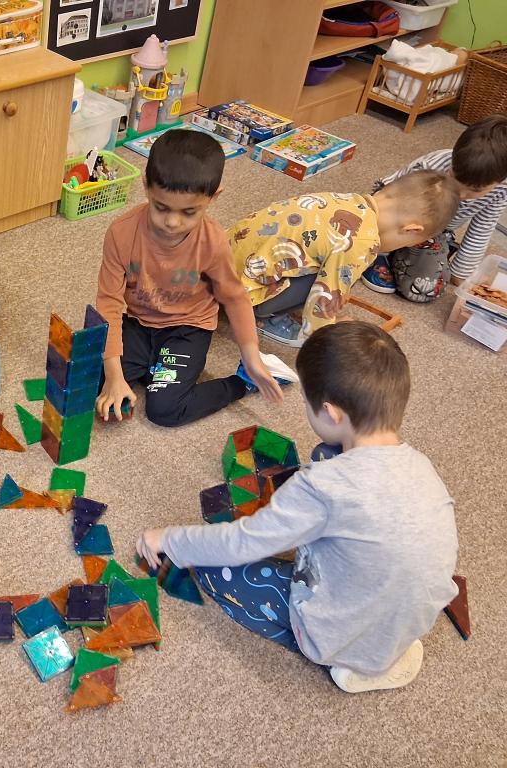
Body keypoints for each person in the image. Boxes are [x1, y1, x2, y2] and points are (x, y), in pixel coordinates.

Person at [137, 321, 459, 693]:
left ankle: (347, 662)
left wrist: (170, 539)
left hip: (341, 636)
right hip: (407, 623)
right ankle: (383, 649)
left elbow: (243, 543)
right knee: (327, 456)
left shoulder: (322, 487)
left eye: (306, 402)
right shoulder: (422, 466)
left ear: (332, 413)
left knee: (214, 569)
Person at [95, 129, 288, 429]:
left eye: (188, 212)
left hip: (187, 329)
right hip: (139, 324)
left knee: (165, 410)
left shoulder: (212, 242)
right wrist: (113, 376)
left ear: (214, 197)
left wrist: (252, 357)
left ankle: (241, 382)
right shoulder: (121, 233)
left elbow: (235, 298)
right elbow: (108, 304)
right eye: (161, 207)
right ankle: (155, 369)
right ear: (146, 186)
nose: (172, 222)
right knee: (89, 383)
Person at [230, 170, 460, 346]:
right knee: (336, 276)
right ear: (410, 230)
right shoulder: (362, 242)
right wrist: (324, 332)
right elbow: (325, 293)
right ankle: (265, 315)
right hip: (241, 289)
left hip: (226, 254)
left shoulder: (350, 200)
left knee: (329, 263)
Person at [362, 115, 507, 299]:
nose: (461, 194)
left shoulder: (501, 190)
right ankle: (382, 253)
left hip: (433, 229)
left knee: (425, 289)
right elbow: (389, 204)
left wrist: (462, 274)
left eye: (474, 190)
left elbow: (481, 230)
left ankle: (411, 252)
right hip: (396, 216)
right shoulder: (432, 164)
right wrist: (376, 246)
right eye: (455, 179)